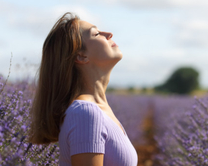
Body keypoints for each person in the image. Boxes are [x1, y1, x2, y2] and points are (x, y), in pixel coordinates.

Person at [28, 12, 138, 166]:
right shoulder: (85, 113)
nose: (109, 34)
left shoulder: (97, 110)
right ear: (81, 56)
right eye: (97, 33)